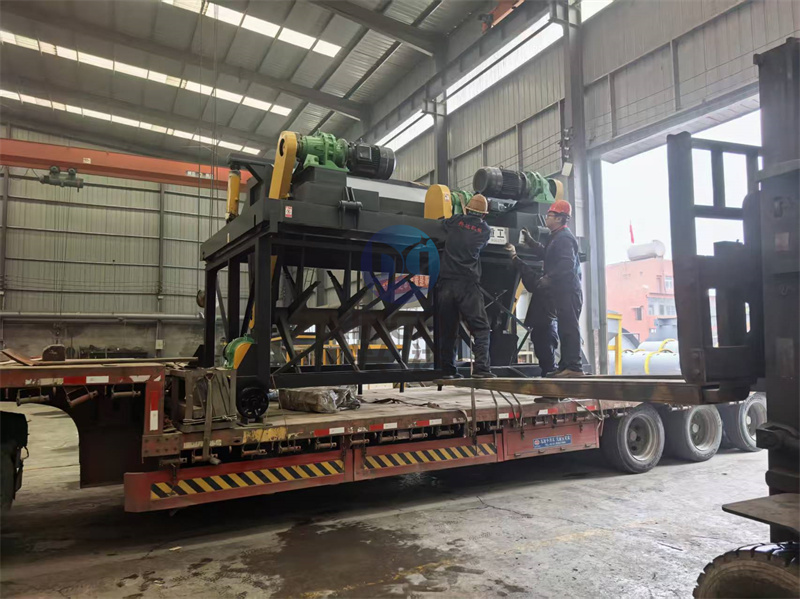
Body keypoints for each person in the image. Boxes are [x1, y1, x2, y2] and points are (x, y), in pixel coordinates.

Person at [505, 199, 584, 377]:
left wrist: (549, 278)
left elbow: (566, 264)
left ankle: (574, 366)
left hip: (569, 291)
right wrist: (531, 242)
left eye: (549, 215)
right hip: (562, 292)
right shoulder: (556, 236)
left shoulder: (564, 238)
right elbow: (547, 254)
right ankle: (565, 366)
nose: (546, 218)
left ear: (559, 218)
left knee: (569, 328)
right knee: (564, 328)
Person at [437, 194, 496, 379]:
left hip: (446, 284)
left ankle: (447, 371)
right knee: (481, 328)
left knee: (448, 328)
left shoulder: (456, 221)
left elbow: (442, 224)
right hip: (467, 285)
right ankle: (481, 369)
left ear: (467, 209)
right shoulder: (484, 230)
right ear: (483, 214)